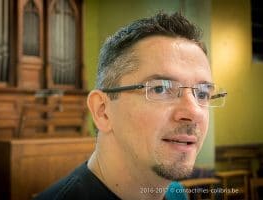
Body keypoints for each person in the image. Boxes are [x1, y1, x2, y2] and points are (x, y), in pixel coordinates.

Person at [35, 11, 227, 200]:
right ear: (103, 111)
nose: (193, 111)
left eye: (202, 93)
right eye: (160, 89)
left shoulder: (177, 193)